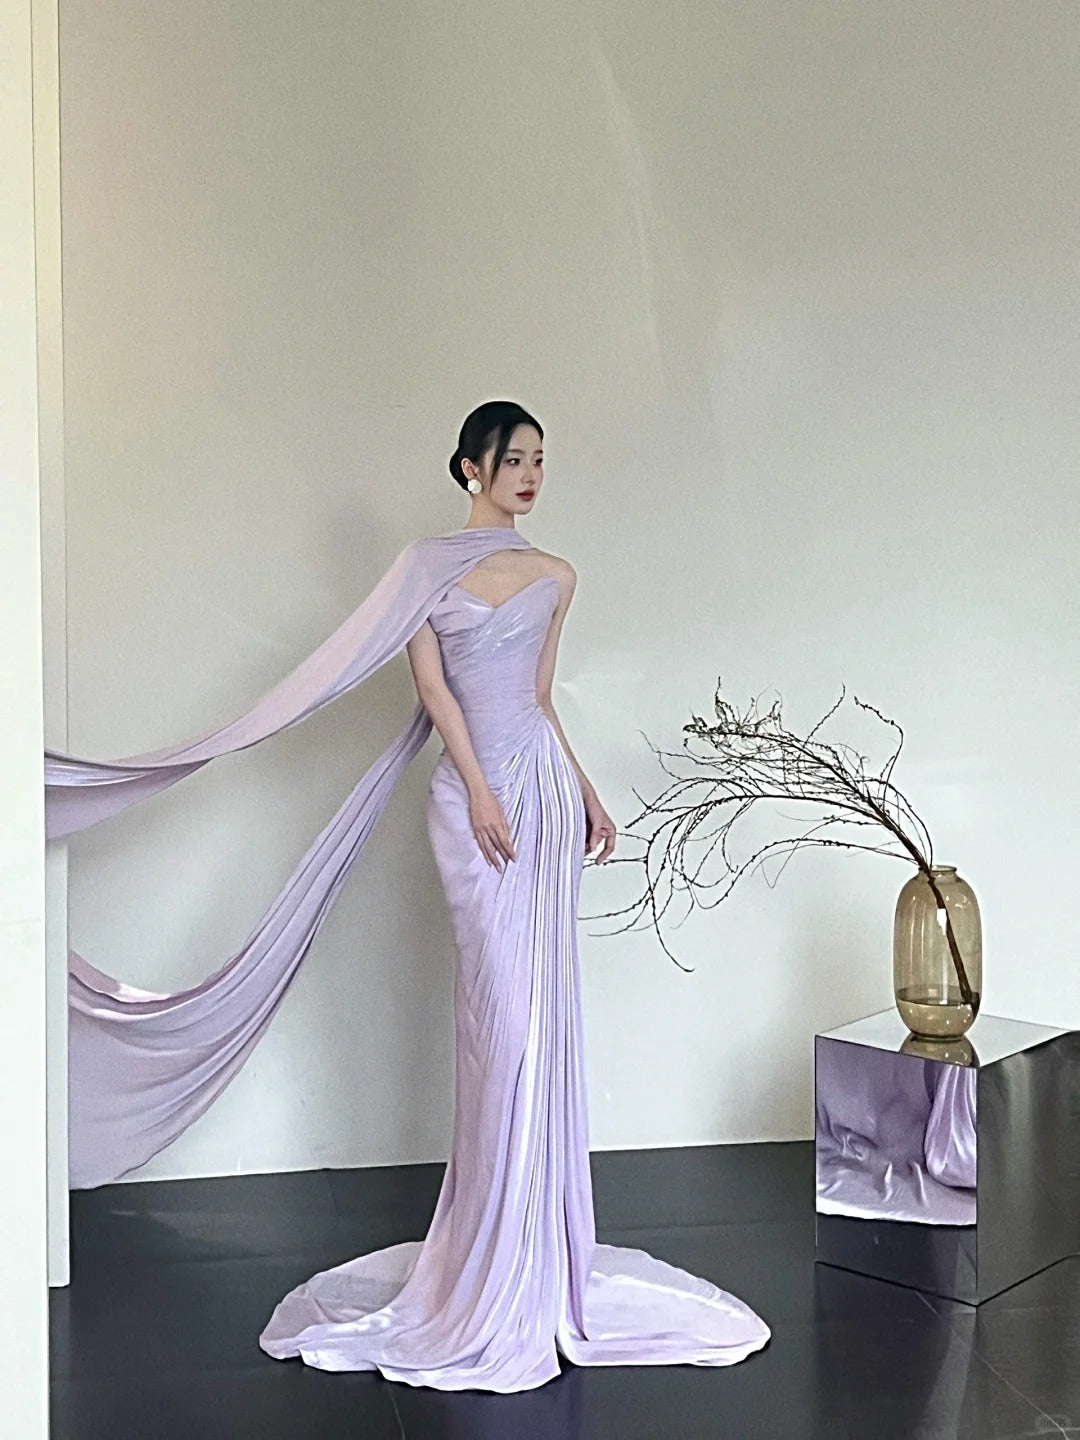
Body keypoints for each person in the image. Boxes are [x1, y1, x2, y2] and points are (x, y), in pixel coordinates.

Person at [258, 400, 770, 1391]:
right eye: (514, 458)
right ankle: (487, 1251)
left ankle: (534, 1241)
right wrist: (480, 789)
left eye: (540, 459)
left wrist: (584, 791)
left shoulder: (557, 576)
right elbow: (436, 694)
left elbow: (538, 699)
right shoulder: (424, 571)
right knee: (500, 1016)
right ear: (471, 468)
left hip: (539, 790)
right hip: (473, 800)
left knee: (539, 1013)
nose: (531, 474)